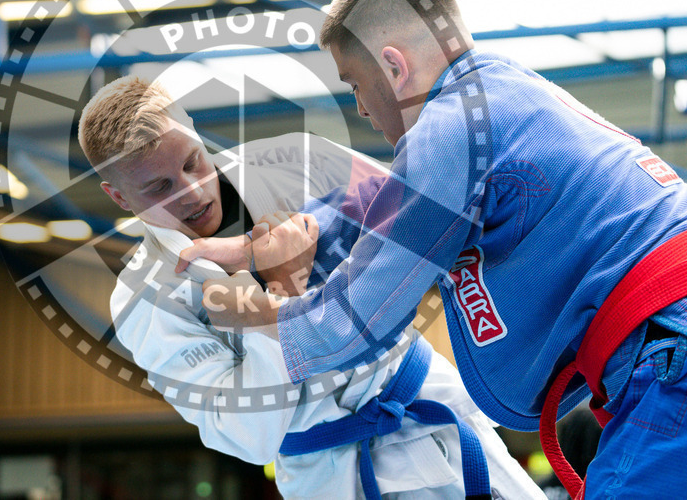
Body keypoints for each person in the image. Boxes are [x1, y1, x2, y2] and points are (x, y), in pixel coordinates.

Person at [179, 0, 687, 499]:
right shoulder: (507, 92)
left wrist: (249, 309)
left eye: (354, 85)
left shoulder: (451, 129)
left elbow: (352, 321)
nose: (361, 109)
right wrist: (252, 247)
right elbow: (386, 202)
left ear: (394, 68)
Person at [79, 75, 546, 499]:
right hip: (332, 473)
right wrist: (284, 291)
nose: (193, 193)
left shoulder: (300, 161)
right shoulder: (147, 299)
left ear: (195, 131)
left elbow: (430, 217)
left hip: (427, 404)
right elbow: (249, 436)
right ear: (119, 197)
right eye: (159, 187)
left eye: (191, 162)